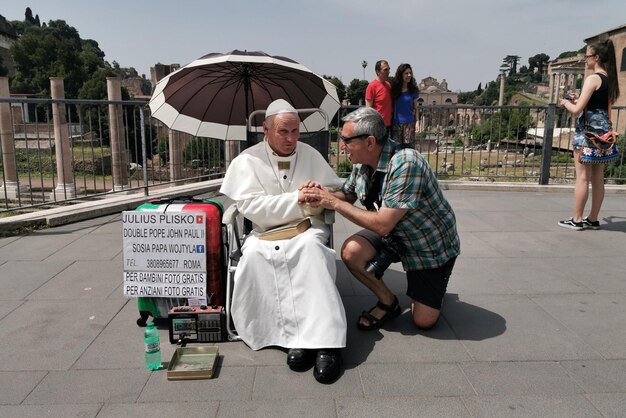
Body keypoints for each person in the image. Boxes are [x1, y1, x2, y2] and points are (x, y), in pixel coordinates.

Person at [220, 99, 347, 383]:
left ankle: (328, 344)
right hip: (264, 233)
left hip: (307, 228)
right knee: (253, 257)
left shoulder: (311, 154)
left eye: (295, 131)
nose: (291, 139)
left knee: (312, 251)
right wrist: (296, 199)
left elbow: (334, 193)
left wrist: (318, 193)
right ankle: (293, 338)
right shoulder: (247, 161)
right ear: (265, 129)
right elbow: (252, 208)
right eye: (283, 132)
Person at [300, 107, 460, 330]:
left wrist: (333, 203)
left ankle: (437, 283)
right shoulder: (362, 162)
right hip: (396, 233)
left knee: (423, 321)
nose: (342, 146)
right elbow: (347, 194)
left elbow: (383, 224)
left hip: (428, 246)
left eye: (346, 140)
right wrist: (320, 195)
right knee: (351, 252)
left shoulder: (405, 163)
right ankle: (388, 302)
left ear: (370, 142)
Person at [558, 39, 620, 231]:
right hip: (602, 135)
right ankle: (592, 219)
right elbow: (598, 104)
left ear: (597, 57)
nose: (585, 59)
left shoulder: (592, 78)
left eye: (588, 56)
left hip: (586, 134)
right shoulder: (609, 79)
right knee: (598, 178)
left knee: (582, 178)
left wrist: (565, 103)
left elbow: (577, 110)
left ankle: (576, 219)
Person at [390, 63, 420, 148]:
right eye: (406, 73)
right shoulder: (394, 90)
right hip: (396, 124)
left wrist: (417, 122)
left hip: (409, 123)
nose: (409, 75)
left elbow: (416, 108)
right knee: (396, 149)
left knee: (408, 149)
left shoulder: (413, 90)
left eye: (410, 73)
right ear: (401, 75)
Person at [365, 60, 392, 130]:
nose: (388, 72)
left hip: (388, 124)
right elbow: (368, 109)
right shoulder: (371, 86)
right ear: (378, 72)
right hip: (376, 125)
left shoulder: (389, 85)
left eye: (389, 69)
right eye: (385, 70)